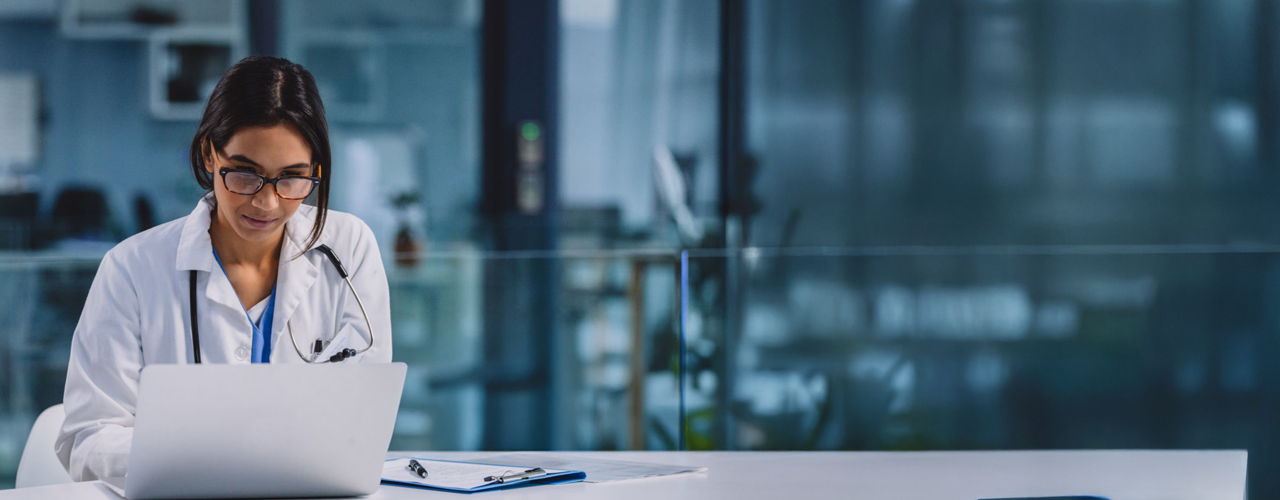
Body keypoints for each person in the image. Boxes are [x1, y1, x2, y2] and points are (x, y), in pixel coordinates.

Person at [55, 56, 393, 481]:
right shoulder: (131, 269)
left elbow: (364, 417)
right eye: (246, 174)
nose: (266, 203)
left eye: (291, 177)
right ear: (209, 154)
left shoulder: (347, 249)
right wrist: (205, 462)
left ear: (316, 171)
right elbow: (90, 438)